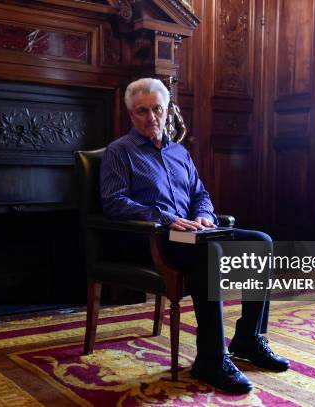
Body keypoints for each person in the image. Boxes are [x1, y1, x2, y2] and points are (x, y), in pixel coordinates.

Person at [100, 78, 290, 394]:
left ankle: (248, 338)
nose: (151, 118)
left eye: (157, 109)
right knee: (209, 253)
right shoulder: (119, 152)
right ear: (131, 116)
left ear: (167, 110)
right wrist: (167, 218)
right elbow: (113, 201)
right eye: (142, 111)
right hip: (159, 238)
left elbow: (200, 193)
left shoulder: (179, 153)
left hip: (196, 233)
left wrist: (204, 215)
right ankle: (212, 358)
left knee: (261, 242)